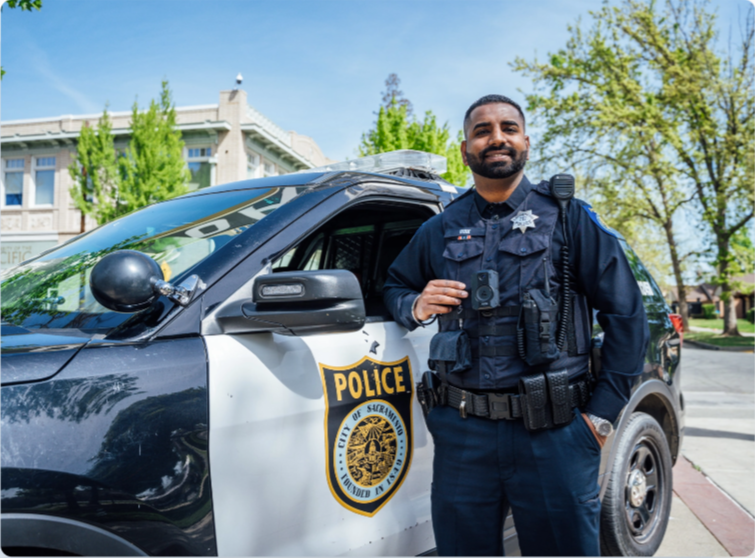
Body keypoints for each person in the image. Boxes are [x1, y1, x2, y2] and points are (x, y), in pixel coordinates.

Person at [383, 94, 649, 556]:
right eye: (482, 131)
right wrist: (416, 304)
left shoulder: (568, 217)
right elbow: (393, 286)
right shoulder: (440, 228)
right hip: (464, 435)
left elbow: (626, 314)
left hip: (555, 433)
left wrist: (601, 416)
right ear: (465, 149)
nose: (496, 138)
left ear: (525, 141)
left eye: (508, 127)